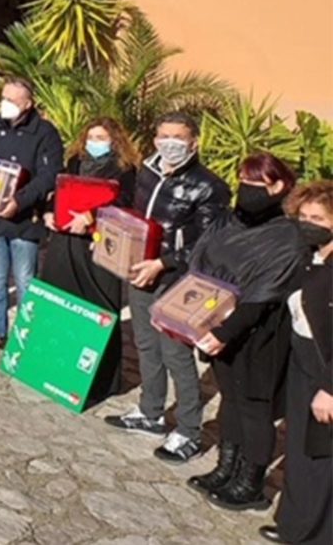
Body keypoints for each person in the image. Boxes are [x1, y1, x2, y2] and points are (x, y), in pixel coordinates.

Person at [104, 111, 231, 463]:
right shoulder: (148, 170)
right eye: (164, 136)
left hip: (177, 279)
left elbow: (207, 243)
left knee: (176, 353)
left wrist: (163, 263)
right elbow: (136, 216)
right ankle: (151, 412)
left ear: (194, 143)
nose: (169, 143)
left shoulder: (210, 187)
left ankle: (189, 431)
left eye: (178, 137)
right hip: (140, 271)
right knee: (146, 344)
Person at [184, 154, 307, 511]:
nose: (247, 189)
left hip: (260, 333)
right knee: (231, 399)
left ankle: (251, 483)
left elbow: (265, 293)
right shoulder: (231, 221)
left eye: (256, 183)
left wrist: (226, 331)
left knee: (255, 407)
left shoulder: (288, 235)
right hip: (218, 320)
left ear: (280, 186)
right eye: (243, 180)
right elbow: (203, 261)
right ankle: (226, 468)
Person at [40, 117, 139, 397]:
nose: (95, 143)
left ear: (114, 140)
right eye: (91, 137)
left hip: (100, 246)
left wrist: (92, 216)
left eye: (101, 138)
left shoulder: (125, 170)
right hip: (65, 241)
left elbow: (125, 203)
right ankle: (56, 365)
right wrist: (48, 212)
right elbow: (59, 191)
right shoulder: (75, 161)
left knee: (99, 307)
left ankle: (101, 380)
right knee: (61, 300)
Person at [259, 180, 333, 545]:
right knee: (299, 449)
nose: (308, 224)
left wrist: (330, 389)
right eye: (303, 216)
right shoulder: (311, 256)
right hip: (301, 361)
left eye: (318, 218)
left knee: (320, 455)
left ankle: (313, 533)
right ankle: (294, 524)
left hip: (325, 371)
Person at [0, 77, 64, 353]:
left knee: (25, 282)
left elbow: (49, 175)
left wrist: (20, 201)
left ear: (28, 104)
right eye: (4, 98)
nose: (6, 104)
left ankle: (26, 340)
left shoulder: (45, 133)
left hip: (23, 221)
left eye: (12, 100)